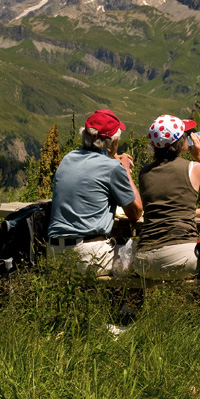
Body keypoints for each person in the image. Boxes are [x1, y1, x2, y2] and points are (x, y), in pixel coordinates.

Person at [47, 109, 143, 275]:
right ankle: (126, 302)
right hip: (87, 254)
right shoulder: (112, 168)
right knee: (142, 255)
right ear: (113, 143)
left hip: (54, 254)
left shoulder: (68, 159)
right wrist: (125, 169)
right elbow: (136, 212)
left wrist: (113, 162)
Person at [133, 114, 200, 280]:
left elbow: (164, 208)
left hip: (143, 262)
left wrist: (197, 211)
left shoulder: (144, 173)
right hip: (181, 259)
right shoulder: (193, 168)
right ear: (182, 143)